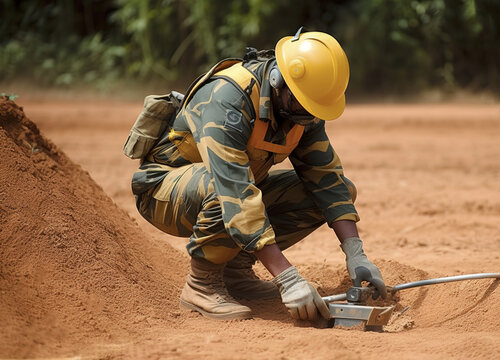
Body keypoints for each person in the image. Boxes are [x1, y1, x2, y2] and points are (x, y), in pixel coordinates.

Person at [130, 28, 386, 322]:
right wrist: (287, 277)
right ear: (278, 81)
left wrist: (355, 253)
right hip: (163, 191)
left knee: (337, 191)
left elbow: (325, 178)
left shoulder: (301, 109)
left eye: (314, 110)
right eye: (303, 105)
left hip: (227, 187)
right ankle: (201, 284)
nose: (309, 116)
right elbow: (234, 191)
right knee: (226, 191)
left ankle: (236, 271)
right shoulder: (228, 100)